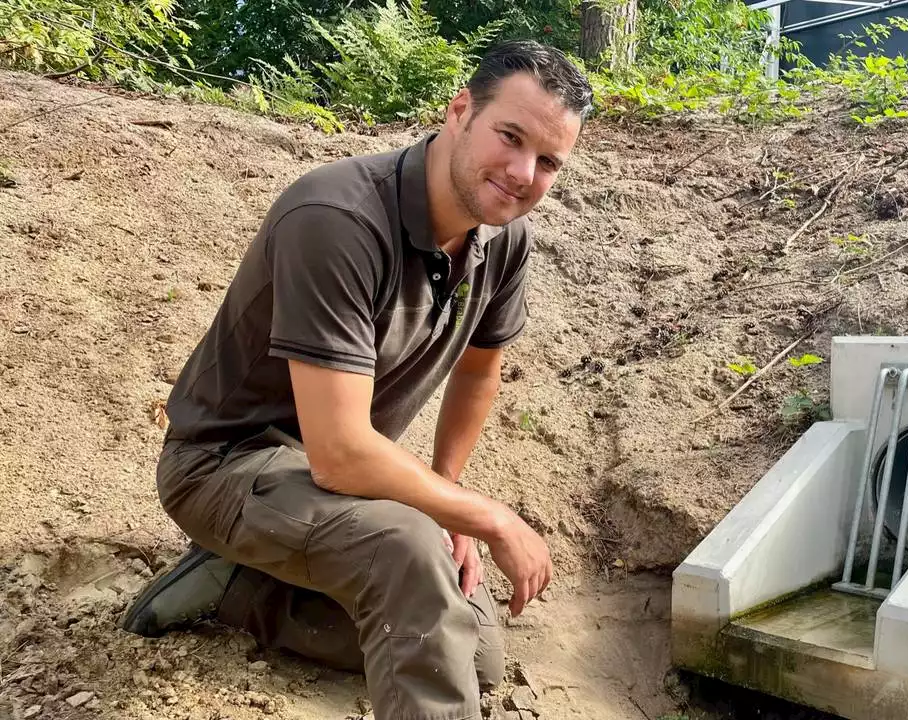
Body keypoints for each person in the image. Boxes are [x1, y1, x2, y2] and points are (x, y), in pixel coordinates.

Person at [118, 39, 593, 720]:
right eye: (510, 137)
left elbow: (480, 370)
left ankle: (237, 591)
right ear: (459, 110)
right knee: (409, 555)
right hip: (224, 466)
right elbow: (341, 453)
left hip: (328, 473)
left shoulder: (504, 238)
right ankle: (243, 554)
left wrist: (448, 491)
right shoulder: (337, 217)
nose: (522, 173)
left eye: (548, 161)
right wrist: (482, 515)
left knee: (476, 654)